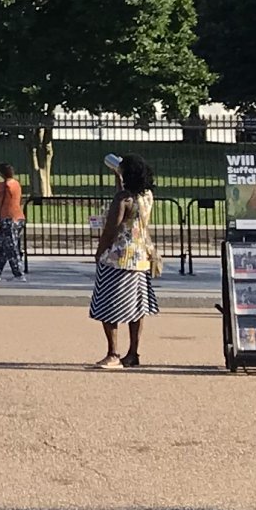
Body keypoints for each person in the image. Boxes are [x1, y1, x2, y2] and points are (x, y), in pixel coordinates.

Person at [89, 155, 157, 368]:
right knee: (136, 308)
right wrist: (118, 176)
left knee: (107, 305)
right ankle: (133, 352)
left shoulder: (123, 200)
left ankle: (112, 353)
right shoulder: (146, 196)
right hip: (140, 257)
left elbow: (112, 228)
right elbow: (126, 194)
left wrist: (99, 251)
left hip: (118, 258)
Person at [0, 163, 28, 280]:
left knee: (11, 247)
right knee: (3, 245)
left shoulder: (5, 185)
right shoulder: (16, 183)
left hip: (8, 218)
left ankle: (18, 273)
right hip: (19, 217)